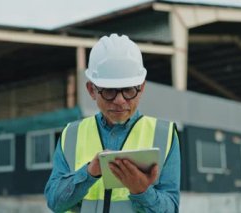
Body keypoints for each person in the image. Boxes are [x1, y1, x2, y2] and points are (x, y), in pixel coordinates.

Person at [44, 34, 180, 213]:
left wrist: (142, 191)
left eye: (129, 90)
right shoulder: (71, 134)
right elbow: (54, 202)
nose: (120, 101)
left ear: (142, 88)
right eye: (109, 91)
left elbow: (171, 208)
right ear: (92, 90)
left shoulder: (165, 135)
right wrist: (89, 173)